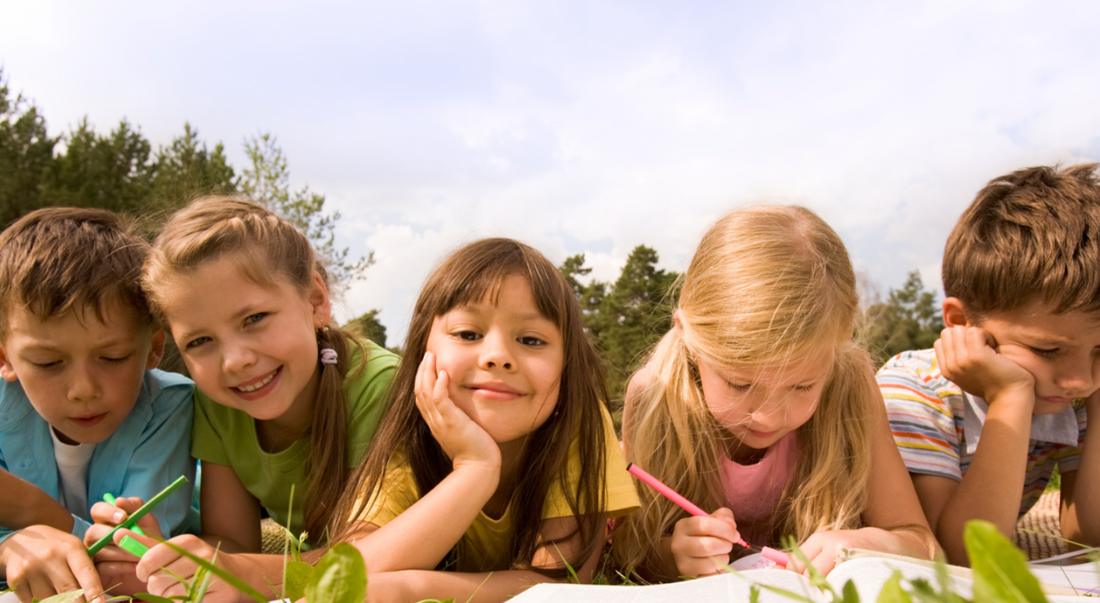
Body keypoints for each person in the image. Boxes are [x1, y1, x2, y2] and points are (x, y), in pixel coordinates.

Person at [614, 205, 935, 581]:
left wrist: (871, 543)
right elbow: (628, 550)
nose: (767, 416)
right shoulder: (655, 395)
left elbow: (924, 544)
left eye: (801, 386)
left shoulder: (851, 385)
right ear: (689, 338)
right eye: (740, 384)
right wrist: (672, 556)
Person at [103, 197, 398, 601]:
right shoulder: (219, 403)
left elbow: (373, 560)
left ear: (315, 300)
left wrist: (233, 570)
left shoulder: (381, 387)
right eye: (201, 341)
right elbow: (233, 541)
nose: (235, 361)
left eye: (254, 319)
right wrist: (165, 558)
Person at [327, 238, 639, 603]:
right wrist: (475, 469)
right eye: (468, 334)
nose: (497, 357)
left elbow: (561, 583)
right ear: (421, 353)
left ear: (566, 368)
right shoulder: (410, 436)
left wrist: (412, 588)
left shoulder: (579, 424)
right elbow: (348, 574)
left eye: (531, 340)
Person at [878, 164, 1100, 565]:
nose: (1081, 380)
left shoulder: (1076, 390)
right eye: (1047, 350)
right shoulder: (914, 390)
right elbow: (959, 555)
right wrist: (1010, 398)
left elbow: (1088, 539)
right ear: (963, 324)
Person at [0, 208, 196, 603]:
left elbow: (132, 557)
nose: (83, 390)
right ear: (4, 359)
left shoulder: (170, 406)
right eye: (48, 362)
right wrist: (9, 549)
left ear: (154, 349)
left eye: (113, 357)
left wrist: (30, 510)